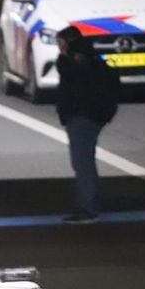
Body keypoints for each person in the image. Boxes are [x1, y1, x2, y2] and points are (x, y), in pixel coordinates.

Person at [53, 25, 121, 224]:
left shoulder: (75, 61)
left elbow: (66, 71)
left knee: (82, 163)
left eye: (61, 43)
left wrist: (64, 55)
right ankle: (91, 204)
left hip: (82, 116)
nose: (59, 47)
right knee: (85, 161)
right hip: (92, 116)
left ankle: (88, 210)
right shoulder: (93, 58)